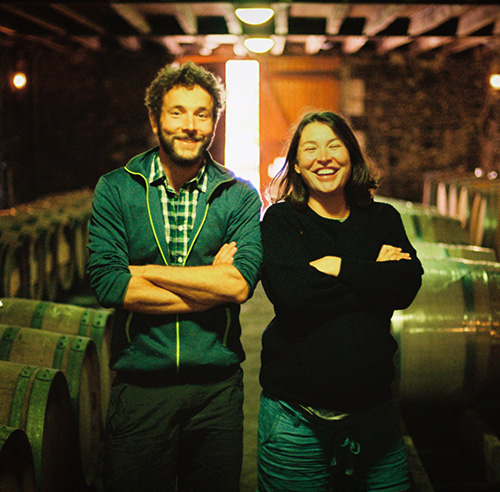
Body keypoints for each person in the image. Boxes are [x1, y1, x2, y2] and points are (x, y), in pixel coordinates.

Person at [87, 61, 262, 492]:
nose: (190, 125)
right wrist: (210, 285)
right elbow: (109, 283)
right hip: (140, 388)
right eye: (177, 112)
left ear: (215, 122)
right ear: (155, 119)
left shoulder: (239, 195)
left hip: (217, 391)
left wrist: (147, 272)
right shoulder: (116, 188)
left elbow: (239, 285)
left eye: (202, 114)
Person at [258, 111, 424, 491]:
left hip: (376, 416)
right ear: (296, 164)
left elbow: (405, 286)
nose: (324, 157)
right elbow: (294, 295)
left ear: (351, 154)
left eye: (334, 146)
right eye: (310, 149)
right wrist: (372, 273)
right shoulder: (282, 222)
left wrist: (338, 266)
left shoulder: (382, 218)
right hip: (296, 419)